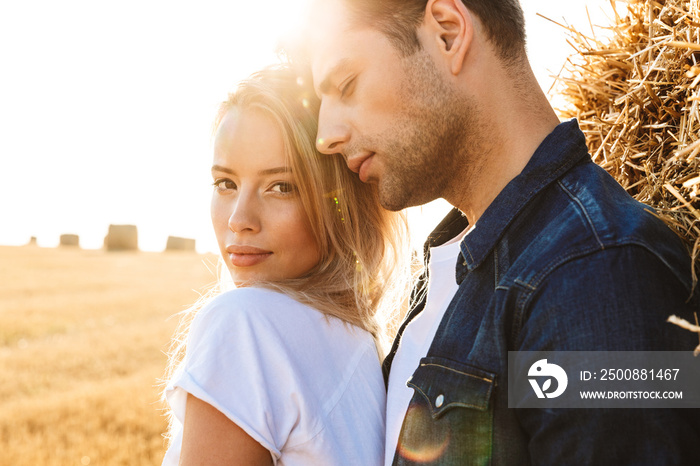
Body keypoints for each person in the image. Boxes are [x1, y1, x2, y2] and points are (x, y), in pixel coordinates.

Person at [298, 0, 700, 464]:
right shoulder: (449, 265)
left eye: (345, 84)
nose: (324, 135)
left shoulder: (598, 271)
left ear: (448, 32)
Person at [160, 65, 413, 465]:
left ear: (339, 205)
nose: (239, 219)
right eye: (226, 183)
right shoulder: (364, 347)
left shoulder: (245, 324)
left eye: (281, 187)